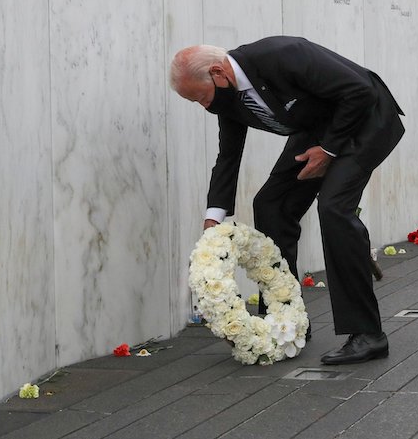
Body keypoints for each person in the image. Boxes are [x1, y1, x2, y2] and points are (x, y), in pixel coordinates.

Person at [170, 36, 404, 365]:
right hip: (321, 127)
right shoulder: (229, 98)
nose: (204, 106)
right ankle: (287, 321)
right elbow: (228, 158)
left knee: (334, 207)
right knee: (272, 204)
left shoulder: (282, 55)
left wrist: (329, 150)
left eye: (200, 97)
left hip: (365, 118)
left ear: (218, 73)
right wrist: (213, 220)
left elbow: (358, 90)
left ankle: (368, 334)